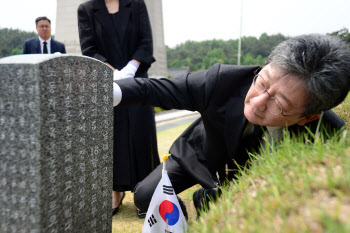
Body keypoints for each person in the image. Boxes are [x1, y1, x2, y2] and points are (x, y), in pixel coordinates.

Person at [112, 34, 350, 217]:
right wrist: (109, 92)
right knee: (145, 195)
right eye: (262, 83)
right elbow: (154, 89)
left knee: (235, 203)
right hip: (200, 155)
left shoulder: (327, 133)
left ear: (308, 117)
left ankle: (209, 196)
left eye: (280, 103)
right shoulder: (221, 80)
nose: (257, 103)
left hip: (242, 177)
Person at [77, 0, 160, 216]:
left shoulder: (136, 4)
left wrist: (131, 69)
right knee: (112, 136)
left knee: (141, 135)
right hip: (106, 81)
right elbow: (89, 49)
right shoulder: (86, 10)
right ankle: (115, 191)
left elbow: (146, 41)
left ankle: (146, 193)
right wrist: (114, 74)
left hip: (138, 78)